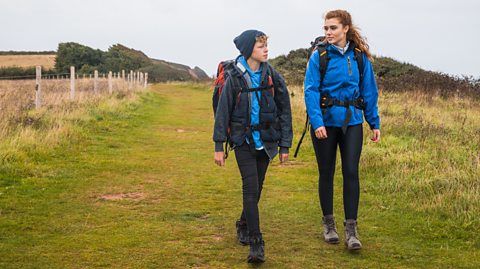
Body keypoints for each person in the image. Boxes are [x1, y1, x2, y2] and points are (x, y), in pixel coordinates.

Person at [213, 29, 293, 263]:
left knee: (257, 189)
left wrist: (285, 144)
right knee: (250, 189)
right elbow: (223, 112)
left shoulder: (273, 76)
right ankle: (256, 243)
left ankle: (243, 223)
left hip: (267, 141)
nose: (266, 49)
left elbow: (285, 110)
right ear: (249, 50)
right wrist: (219, 145)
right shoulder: (234, 77)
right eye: (260, 46)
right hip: (243, 141)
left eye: (266, 45)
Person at [304, 10, 381, 251]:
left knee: (351, 172)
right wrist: (317, 123)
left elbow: (369, 90)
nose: (328, 32)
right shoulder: (319, 56)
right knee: (326, 173)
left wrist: (374, 122)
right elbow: (310, 91)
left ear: (345, 28)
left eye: (333, 28)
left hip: (353, 122)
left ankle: (351, 230)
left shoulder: (359, 57)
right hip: (325, 123)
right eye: (326, 28)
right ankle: (329, 224)